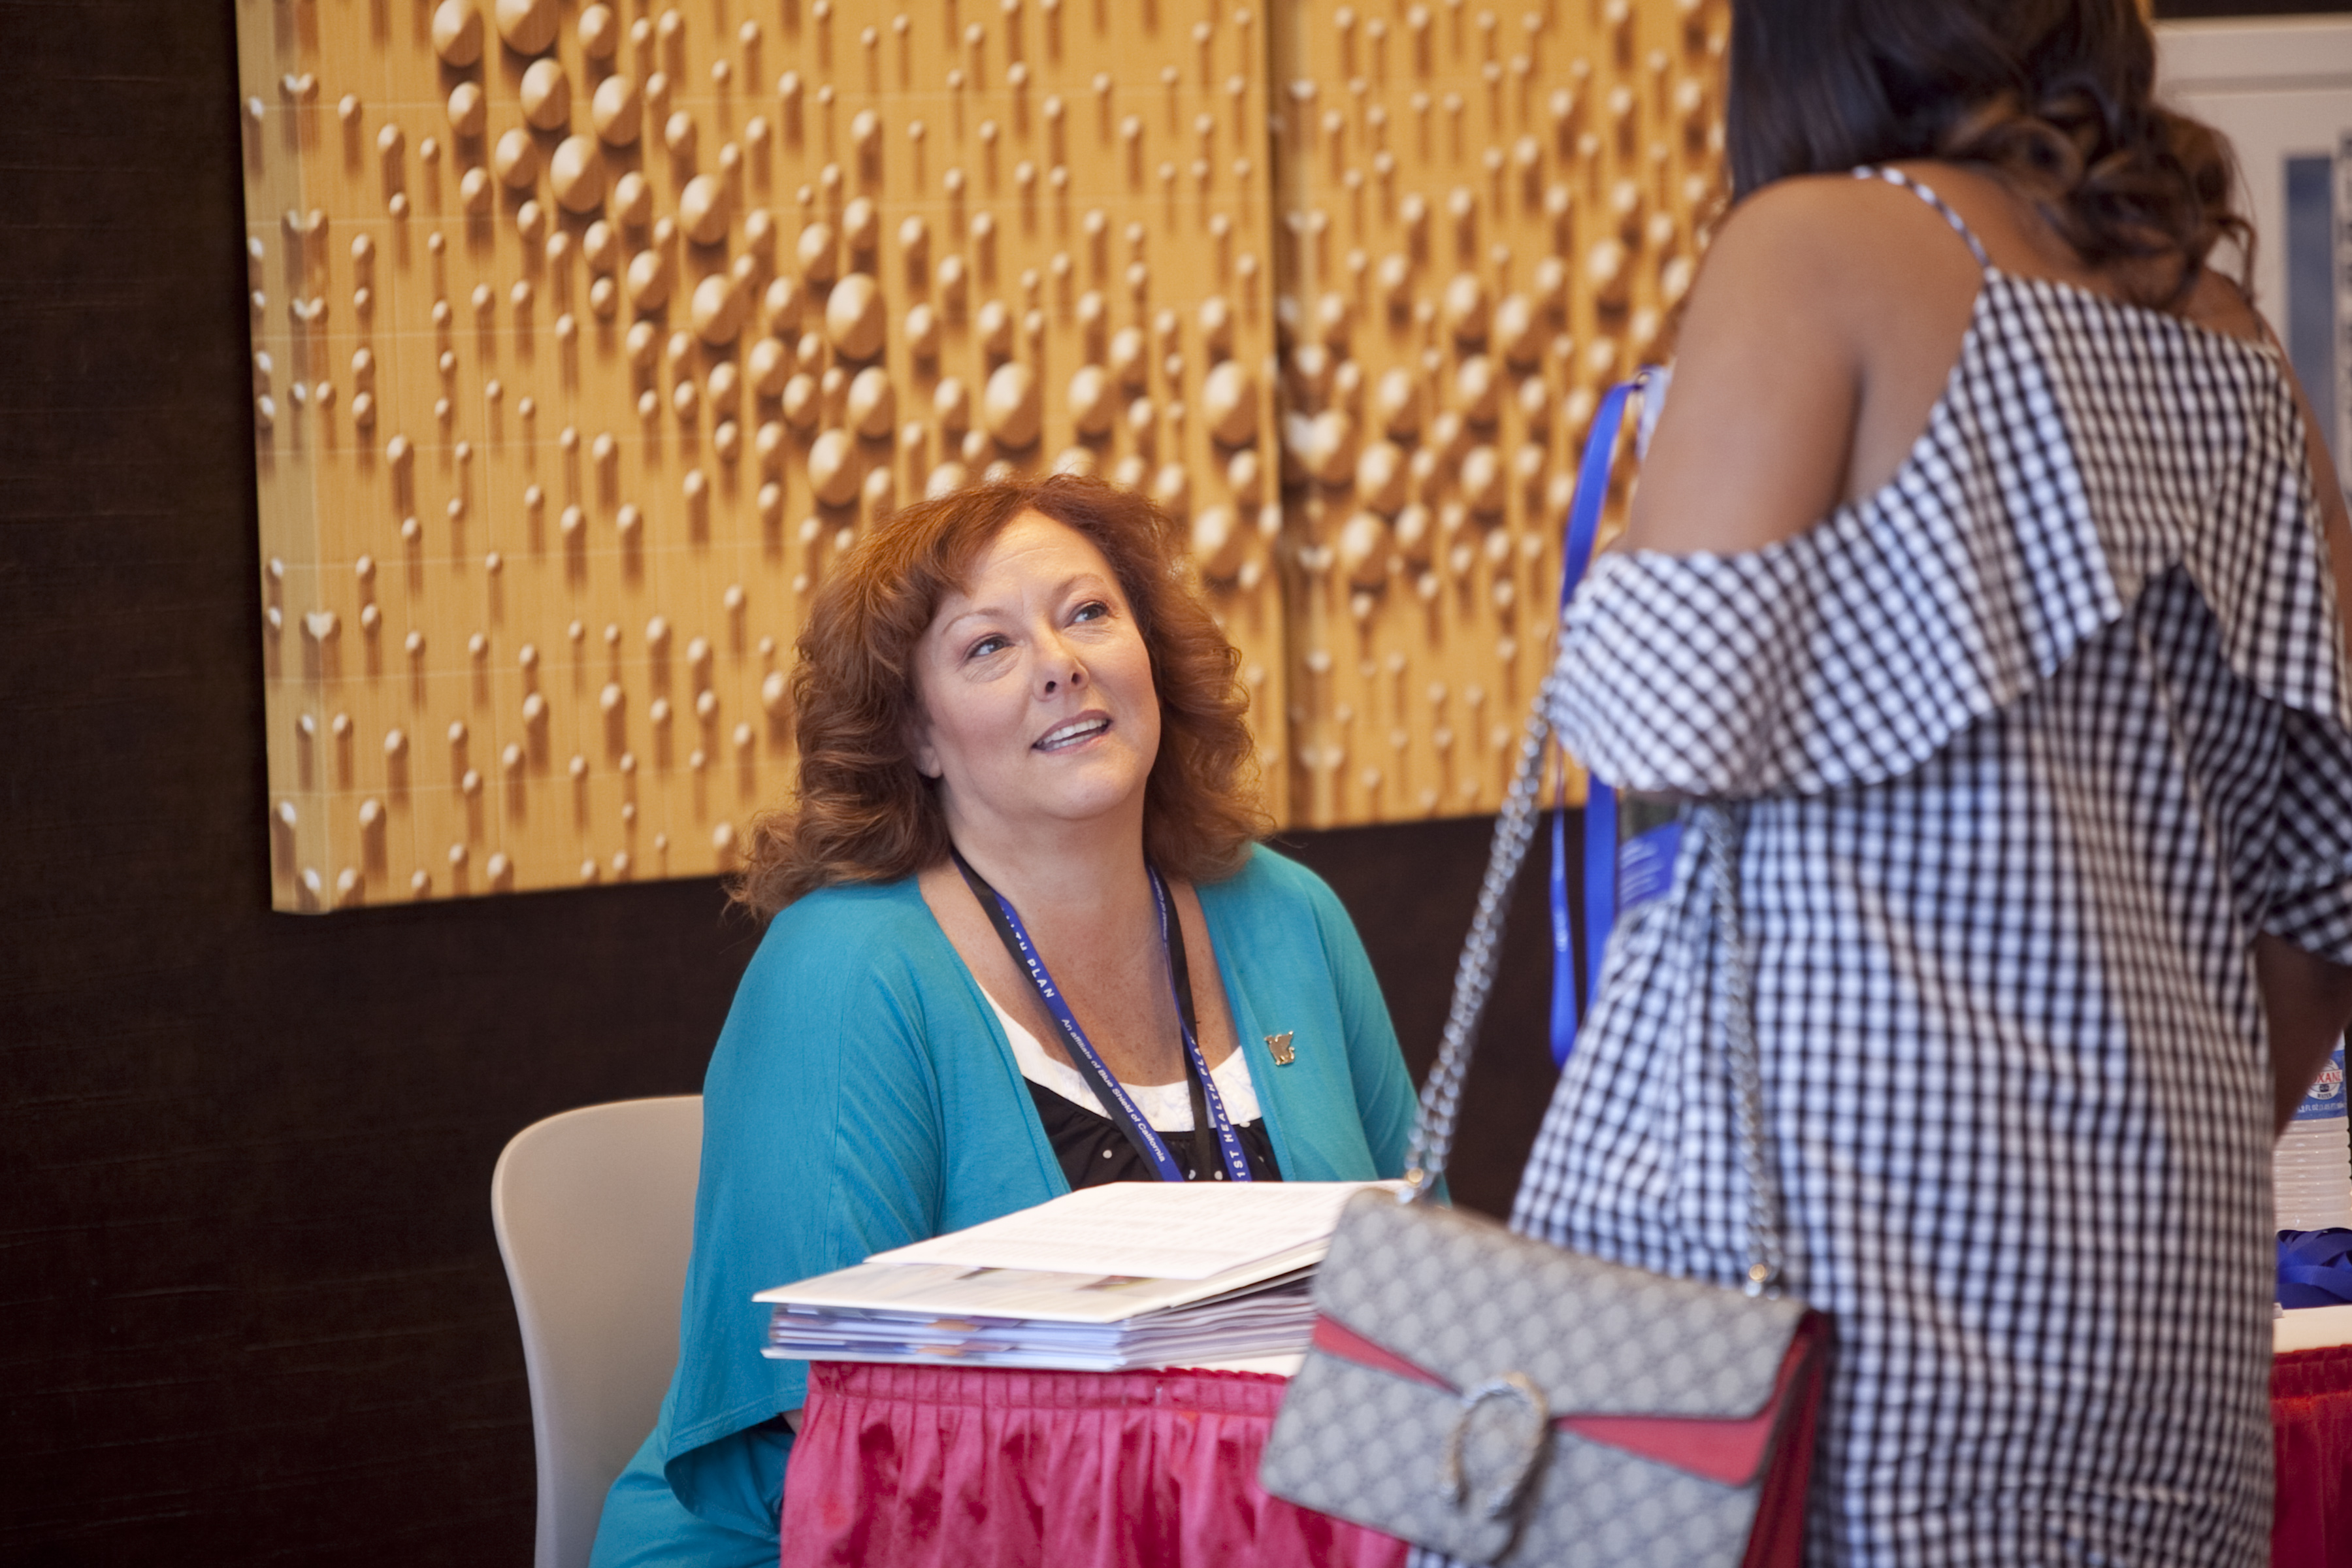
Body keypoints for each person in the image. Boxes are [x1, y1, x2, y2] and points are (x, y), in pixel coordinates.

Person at [1509, 2, 2352, 1563]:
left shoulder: (1821, 247)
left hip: (1831, 1270)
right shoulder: (2236, 341)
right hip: (2169, 1295)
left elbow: (1655, 732)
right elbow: (2325, 900)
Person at [590, 475, 1418, 1568]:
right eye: (988, 646)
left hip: (1254, 1525)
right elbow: (827, 1413)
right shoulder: (844, 970)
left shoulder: (1286, 914)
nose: (1059, 664)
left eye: (1088, 613)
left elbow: (1425, 1281)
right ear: (918, 737)